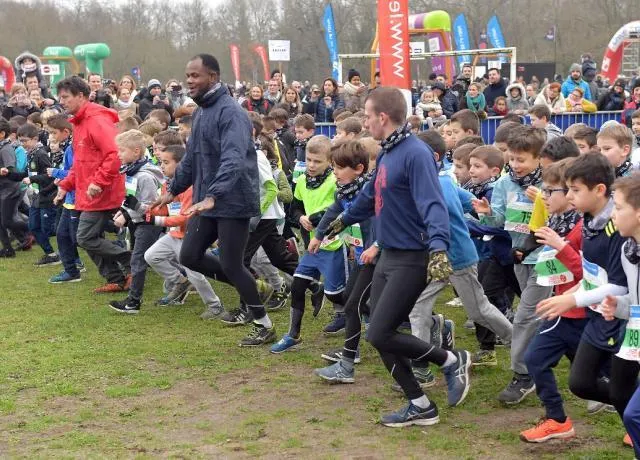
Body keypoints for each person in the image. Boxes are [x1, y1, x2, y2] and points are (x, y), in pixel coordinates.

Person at [324, 87, 470, 427]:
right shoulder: (389, 153)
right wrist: (342, 220)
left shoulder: (415, 153)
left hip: (413, 256)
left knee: (379, 333)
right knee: (380, 333)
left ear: (383, 117)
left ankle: (451, 361)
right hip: (389, 255)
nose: (364, 122)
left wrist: (438, 247)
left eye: (367, 116)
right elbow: (369, 196)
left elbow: (433, 204)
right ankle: (420, 404)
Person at [154, 54, 276, 347]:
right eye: (188, 75)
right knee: (189, 255)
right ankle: (255, 287)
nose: (189, 81)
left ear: (213, 77)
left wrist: (214, 195)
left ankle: (264, 325)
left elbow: (234, 159)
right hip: (206, 200)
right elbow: (191, 159)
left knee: (232, 265)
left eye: (195, 75)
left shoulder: (232, 113)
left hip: (232, 201)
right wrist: (173, 190)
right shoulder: (200, 113)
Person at [536, 153, 630, 446]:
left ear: (599, 190)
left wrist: (572, 301)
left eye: (575, 190)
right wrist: (572, 294)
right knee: (581, 383)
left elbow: (618, 287)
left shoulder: (617, 228)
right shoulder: (588, 219)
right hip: (595, 316)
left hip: (618, 319)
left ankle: (634, 418)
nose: (569, 196)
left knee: (621, 391)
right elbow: (592, 273)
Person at [473, 125, 553, 404]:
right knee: (543, 316)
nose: (516, 165)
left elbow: (564, 217)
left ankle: (523, 375)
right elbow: (499, 220)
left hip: (546, 259)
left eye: (522, 159)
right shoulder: (504, 184)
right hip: (518, 258)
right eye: (513, 158)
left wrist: (543, 200)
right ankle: (557, 354)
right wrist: (486, 213)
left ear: (539, 158)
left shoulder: (549, 184)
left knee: (524, 316)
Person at [519, 158, 585, 442]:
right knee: (535, 359)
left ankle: (634, 416)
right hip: (562, 311)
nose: (543, 196)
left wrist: (560, 247)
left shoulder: (583, 227)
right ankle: (557, 419)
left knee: (602, 376)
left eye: (549, 191)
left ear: (570, 194)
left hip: (585, 313)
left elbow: (589, 273)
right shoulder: (555, 221)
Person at [270, 135, 349, 353]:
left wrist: (316, 218)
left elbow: (341, 211)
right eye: (309, 160)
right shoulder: (302, 180)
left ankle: (368, 313)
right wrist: (301, 217)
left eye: (317, 161)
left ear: (330, 161)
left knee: (336, 295)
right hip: (313, 248)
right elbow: (294, 208)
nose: (312, 165)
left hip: (334, 247)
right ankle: (292, 335)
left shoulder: (336, 182)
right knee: (297, 286)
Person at [53, 76, 131, 293]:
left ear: (81, 96)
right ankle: (117, 278)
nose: (62, 102)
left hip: (102, 191)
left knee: (85, 237)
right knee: (88, 238)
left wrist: (98, 182)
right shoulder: (79, 122)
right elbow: (80, 162)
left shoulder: (96, 120)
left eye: (65, 97)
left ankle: (131, 260)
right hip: (89, 191)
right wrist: (65, 185)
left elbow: (114, 155)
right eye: (60, 98)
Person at [313, 139, 375, 382]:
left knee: (356, 305)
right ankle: (351, 355)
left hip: (378, 258)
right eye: (333, 167)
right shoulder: (344, 191)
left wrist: (376, 247)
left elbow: (383, 223)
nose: (335, 172)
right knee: (353, 301)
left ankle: (348, 361)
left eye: (339, 168)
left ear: (358, 169)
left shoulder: (369, 192)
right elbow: (333, 212)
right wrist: (318, 236)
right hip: (362, 257)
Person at [144, 144, 225, 317]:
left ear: (181, 165)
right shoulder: (168, 185)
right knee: (151, 256)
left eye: (166, 162)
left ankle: (215, 306)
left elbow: (186, 217)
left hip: (189, 236)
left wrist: (157, 220)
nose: (161, 166)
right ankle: (180, 282)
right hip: (174, 234)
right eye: (160, 162)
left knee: (195, 274)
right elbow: (166, 210)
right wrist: (146, 210)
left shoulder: (190, 188)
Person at [600, 174, 640, 457]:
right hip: (635, 338)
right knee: (630, 411)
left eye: (618, 207)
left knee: (634, 414)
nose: (612, 215)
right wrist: (620, 305)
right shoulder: (629, 250)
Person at [108, 130, 163, 313]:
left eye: (122, 150)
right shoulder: (131, 171)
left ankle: (133, 302)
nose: (118, 154)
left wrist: (128, 213)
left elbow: (151, 206)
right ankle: (182, 281)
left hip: (147, 224)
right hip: (137, 221)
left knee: (138, 260)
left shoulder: (144, 176)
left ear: (136, 151)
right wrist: (123, 211)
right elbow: (131, 198)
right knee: (156, 257)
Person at [4, 123, 58, 266]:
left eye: (25, 141)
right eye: (20, 141)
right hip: (36, 197)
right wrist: (9, 173)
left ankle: (69, 254)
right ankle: (51, 254)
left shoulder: (41, 154)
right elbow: (26, 174)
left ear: (35, 139)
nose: (23, 144)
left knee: (49, 229)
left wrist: (32, 179)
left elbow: (50, 176)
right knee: (34, 227)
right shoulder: (31, 154)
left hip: (47, 197)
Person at [46, 115, 85, 283]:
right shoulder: (70, 147)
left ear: (66, 132)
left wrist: (56, 173)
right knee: (62, 235)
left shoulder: (75, 148)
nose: (52, 136)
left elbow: (77, 173)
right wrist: (62, 186)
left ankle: (119, 257)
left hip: (78, 198)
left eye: (54, 133)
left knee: (81, 239)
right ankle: (71, 271)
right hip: (69, 198)